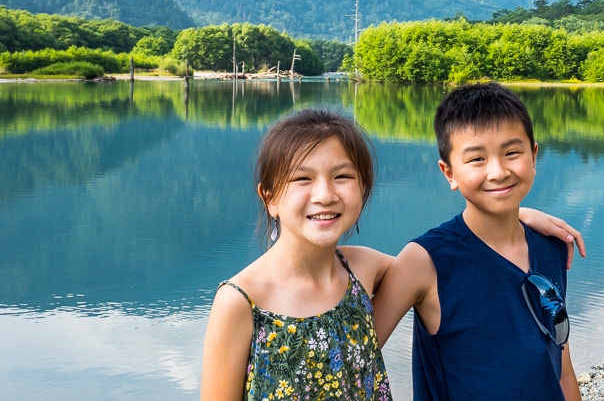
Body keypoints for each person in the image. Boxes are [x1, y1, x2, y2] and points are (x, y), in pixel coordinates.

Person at [201, 108, 584, 401]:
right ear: (269, 198)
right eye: (302, 179)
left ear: (363, 188)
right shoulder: (240, 301)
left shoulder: (362, 270)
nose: (325, 194)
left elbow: (459, 254)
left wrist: (514, 214)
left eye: (342, 176)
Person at [373, 82, 582, 401]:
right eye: (476, 159)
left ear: (534, 155)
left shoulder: (550, 246)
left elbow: (562, 367)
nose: (498, 172)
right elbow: (354, 360)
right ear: (449, 173)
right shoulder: (425, 261)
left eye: (512, 153)